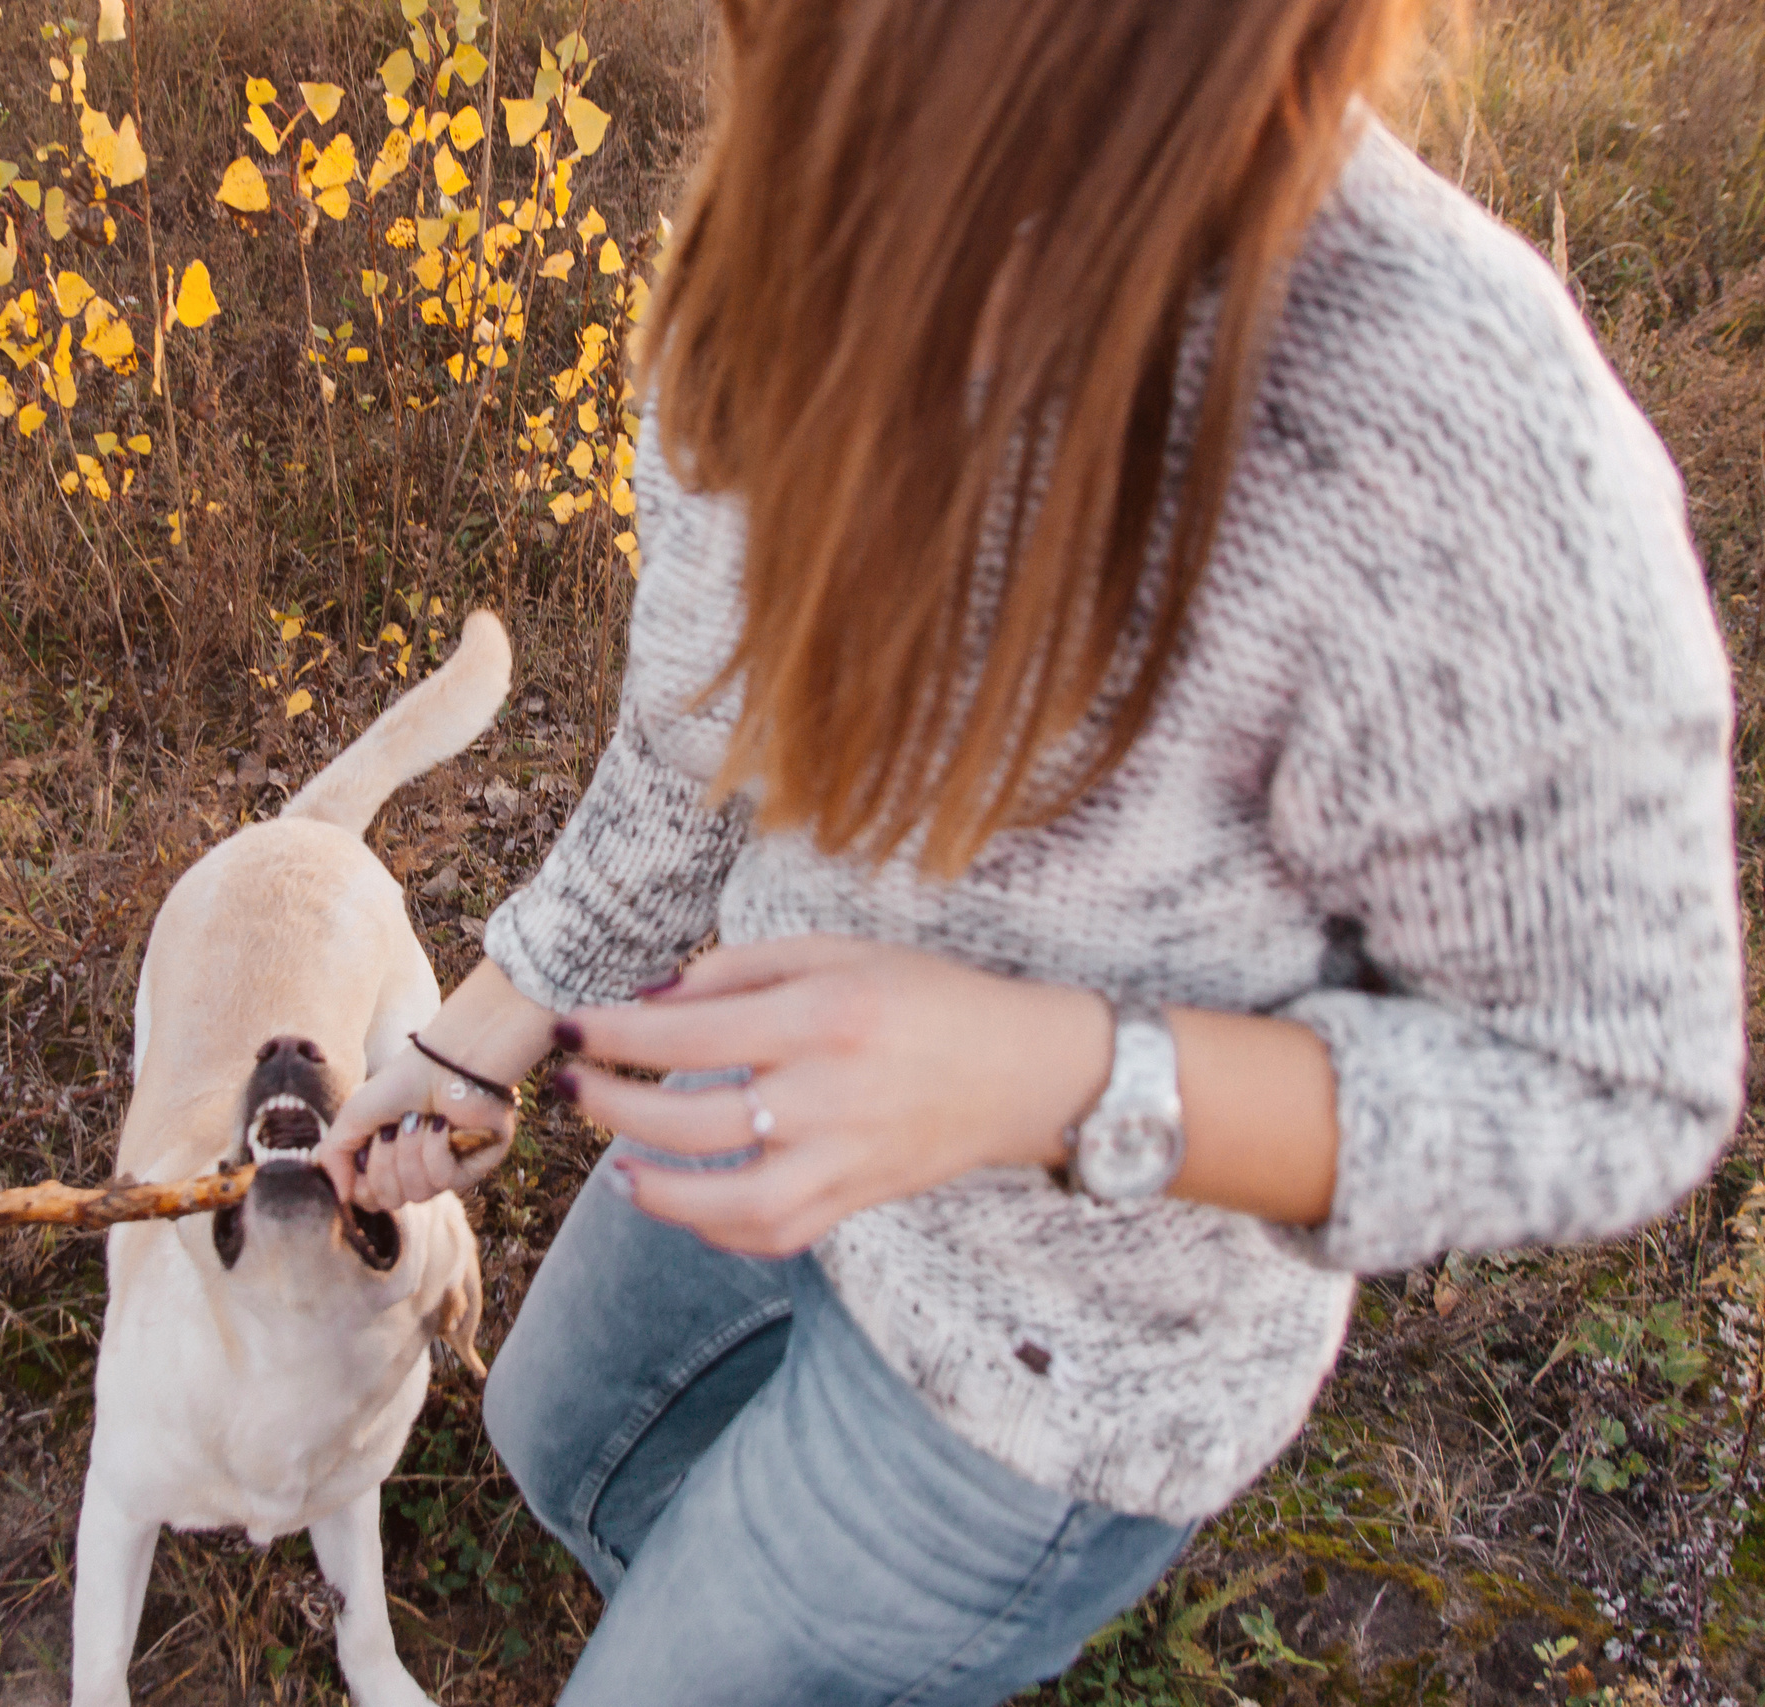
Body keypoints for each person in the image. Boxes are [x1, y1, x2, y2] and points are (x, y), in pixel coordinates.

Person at [313, 0, 1744, 1699]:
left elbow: (1617, 1080)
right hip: (750, 1127)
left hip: (1059, 1368)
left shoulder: (1437, 411)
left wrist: (1053, 1077)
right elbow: (697, 740)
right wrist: (483, 1030)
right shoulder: (784, 219)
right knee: (561, 1444)